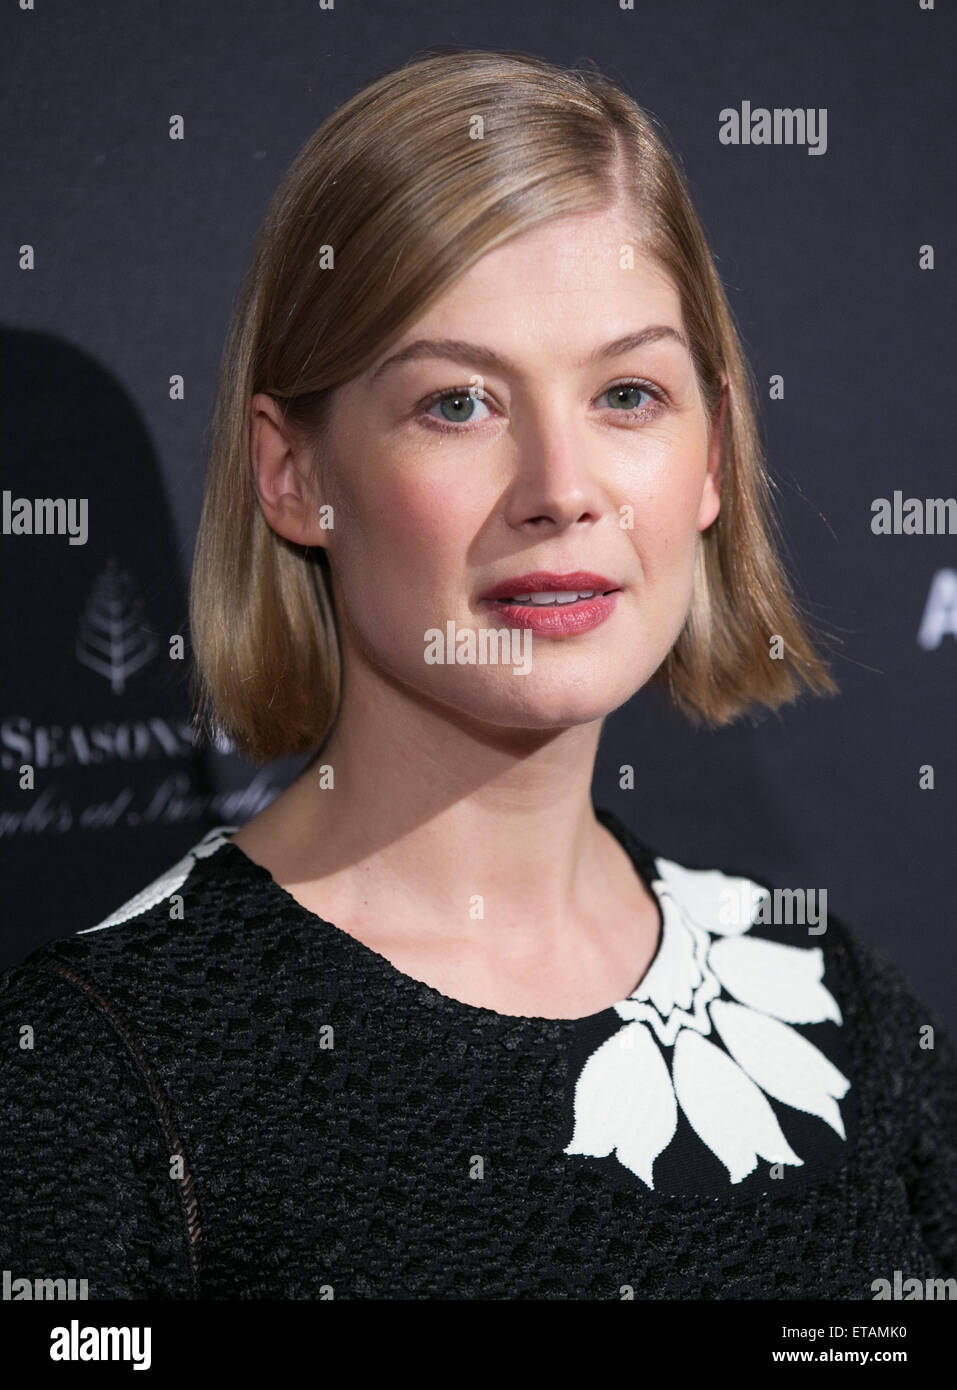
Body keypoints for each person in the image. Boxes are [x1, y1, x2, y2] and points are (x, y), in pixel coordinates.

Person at [1, 48, 954, 1300]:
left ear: (713, 454)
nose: (562, 487)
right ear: (294, 476)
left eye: (627, 392)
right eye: (458, 403)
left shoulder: (834, 1008)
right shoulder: (94, 1071)